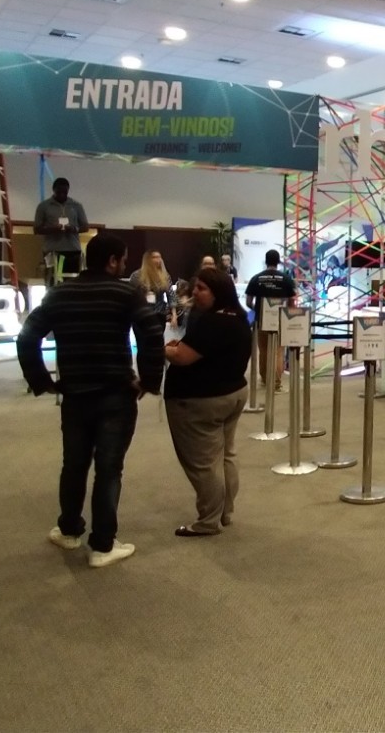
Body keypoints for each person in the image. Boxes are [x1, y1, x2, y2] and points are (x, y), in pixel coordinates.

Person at [17, 233, 164, 569]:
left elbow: (27, 337)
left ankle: (69, 530)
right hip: (116, 395)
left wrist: (42, 382)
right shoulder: (126, 293)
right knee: (109, 470)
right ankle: (102, 545)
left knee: (74, 465)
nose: (124, 265)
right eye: (122, 260)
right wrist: (149, 380)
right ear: (112, 260)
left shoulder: (59, 294)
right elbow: (152, 333)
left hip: (75, 396)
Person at [163, 268, 252, 536]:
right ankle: (225, 511)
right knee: (225, 455)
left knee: (203, 463)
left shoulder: (213, 323)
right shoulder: (238, 317)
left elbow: (182, 357)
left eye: (202, 288)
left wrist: (164, 349)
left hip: (200, 401)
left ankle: (208, 521)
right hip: (232, 393)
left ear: (218, 292)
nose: (195, 293)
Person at [245, 249, 297, 393]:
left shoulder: (256, 278)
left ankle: (264, 379)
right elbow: (292, 301)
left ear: (266, 261)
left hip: (261, 320)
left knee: (263, 350)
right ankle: (276, 383)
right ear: (278, 262)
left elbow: (248, 301)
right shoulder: (286, 279)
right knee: (278, 351)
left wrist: (258, 309)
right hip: (279, 320)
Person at [33, 177, 88, 285]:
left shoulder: (76, 206)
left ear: (68, 190)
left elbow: (85, 227)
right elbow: (37, 229)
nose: (62, 194)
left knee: (72, 282)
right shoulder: (44, 206)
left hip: (72, 250)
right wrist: (53, 229)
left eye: (65, 192)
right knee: (53, 281)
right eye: (59, 192)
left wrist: (74, 228)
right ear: (54, 190)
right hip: (52, 251)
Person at [128, 250, 177, 327]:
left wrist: (174, 315)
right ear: (147, 260)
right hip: (141, 314)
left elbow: (171, 295)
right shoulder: (136, 275)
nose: (158, 260)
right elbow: (130, 294)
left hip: (159, 313)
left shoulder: (165, 276)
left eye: (159, 257)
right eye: (154, 257)